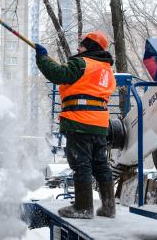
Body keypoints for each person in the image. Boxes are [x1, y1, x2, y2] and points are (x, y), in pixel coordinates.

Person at [35, 31, 116, 219]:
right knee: (100, 164)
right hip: (100, 124)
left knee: (81, 164)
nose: (78, 48)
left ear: (90, 47)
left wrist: (42, 58)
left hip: (80, 121)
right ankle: (109, 207)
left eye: (82, 45)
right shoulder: (106, 70)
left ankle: (83, 208)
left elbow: (58, 74)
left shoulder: (82, 63)